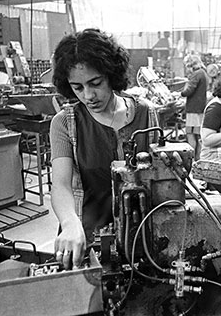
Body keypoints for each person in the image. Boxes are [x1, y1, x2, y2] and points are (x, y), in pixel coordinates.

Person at [50, 28, 159, 269]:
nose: (88, 95)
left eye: (95, 83)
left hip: (140, 236)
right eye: (77, 88)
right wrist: (69, 223)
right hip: (86, 239)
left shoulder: (146, 114)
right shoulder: (65, 124)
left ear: (111, 74)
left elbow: (158, 177)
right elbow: (60, 185)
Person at [180, 54, 208, 160]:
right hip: (200, 108)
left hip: (193, 110)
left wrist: (180, 94)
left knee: (191, 134)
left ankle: (191, 159)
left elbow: (188, 91)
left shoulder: (196, 74)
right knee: (199, 136)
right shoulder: (203, 73)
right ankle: (198, 159)